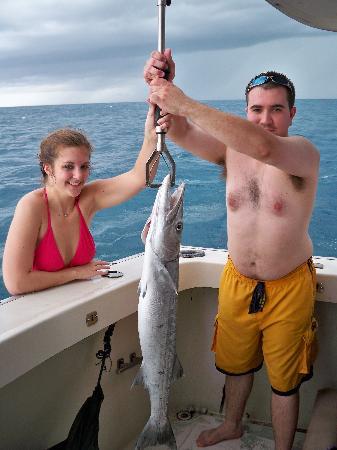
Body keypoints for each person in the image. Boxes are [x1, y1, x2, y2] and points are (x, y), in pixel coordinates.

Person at [144, 50, 320, 450]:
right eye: (256, 109)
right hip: (237, 282)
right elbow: (180, 131)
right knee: (235, 364)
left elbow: (263, 147)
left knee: (284, 380)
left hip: (289, 286)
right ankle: (231, 425)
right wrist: (159, 87)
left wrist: (184, 100)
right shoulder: (231, 151)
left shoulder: (302, 154)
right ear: (245, 110)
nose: (265, 119)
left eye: (277, 109)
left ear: (293, 113)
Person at [2, 105, 168, 295]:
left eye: (84, 166)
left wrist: (152, 136)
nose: (78, 176)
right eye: (68, 166)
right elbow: (16, 283)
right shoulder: (32, 205)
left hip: (76, 304)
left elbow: (140, 178)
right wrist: (76, 273)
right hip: (40, 313)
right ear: (48, 168)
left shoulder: (88, 197)